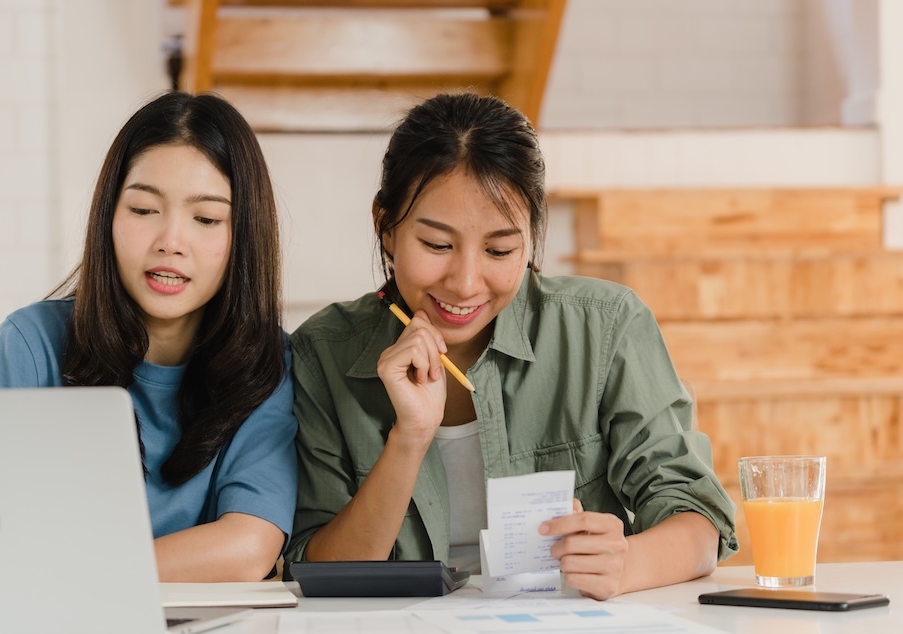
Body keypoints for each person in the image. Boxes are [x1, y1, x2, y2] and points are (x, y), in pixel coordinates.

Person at [285, 92, 738, 600]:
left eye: (500, 249)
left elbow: (700, 523)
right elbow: (320, 573)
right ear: (385, 228)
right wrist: (409, 438)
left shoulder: (604, 327)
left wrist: (626, 563)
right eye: (437, 245)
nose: (465, 281)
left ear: (532, 238)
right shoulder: (321, 354)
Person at [0, 91, 297, 582]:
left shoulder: (266, 362)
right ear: (108, 216)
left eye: (206, 219)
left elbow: (250, 545)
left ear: (243, 237)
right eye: (144, 210)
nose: (170, 240)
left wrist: (70, 574)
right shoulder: (31, 341)